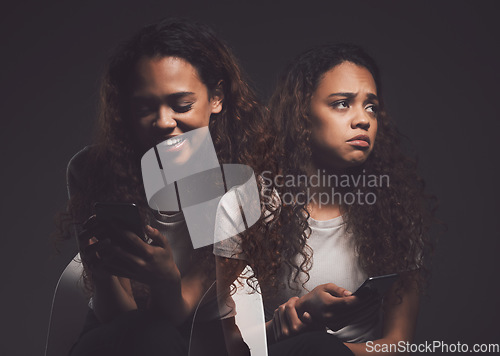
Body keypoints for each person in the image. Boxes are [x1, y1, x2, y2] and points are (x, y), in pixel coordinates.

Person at [57, 18, 268, 356]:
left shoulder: (238, 185)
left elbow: (182, 313)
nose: (164, 122)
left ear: (216, 98)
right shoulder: (91, 170)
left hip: (203, 338)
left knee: (155, 335)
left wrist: (164, 278)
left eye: (181, 105)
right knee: (144, 335)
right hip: (118, 337)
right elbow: (117, 315)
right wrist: (103, 270)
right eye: (145, 108)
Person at [214, 44, 434, 355]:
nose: (363, 120)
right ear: (302, 114)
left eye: (371, 107)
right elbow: (224, 345)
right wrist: (281, 328)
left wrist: (328, 349)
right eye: (342, 104)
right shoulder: (246, 205)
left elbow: (398, 343)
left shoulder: (395, 212)